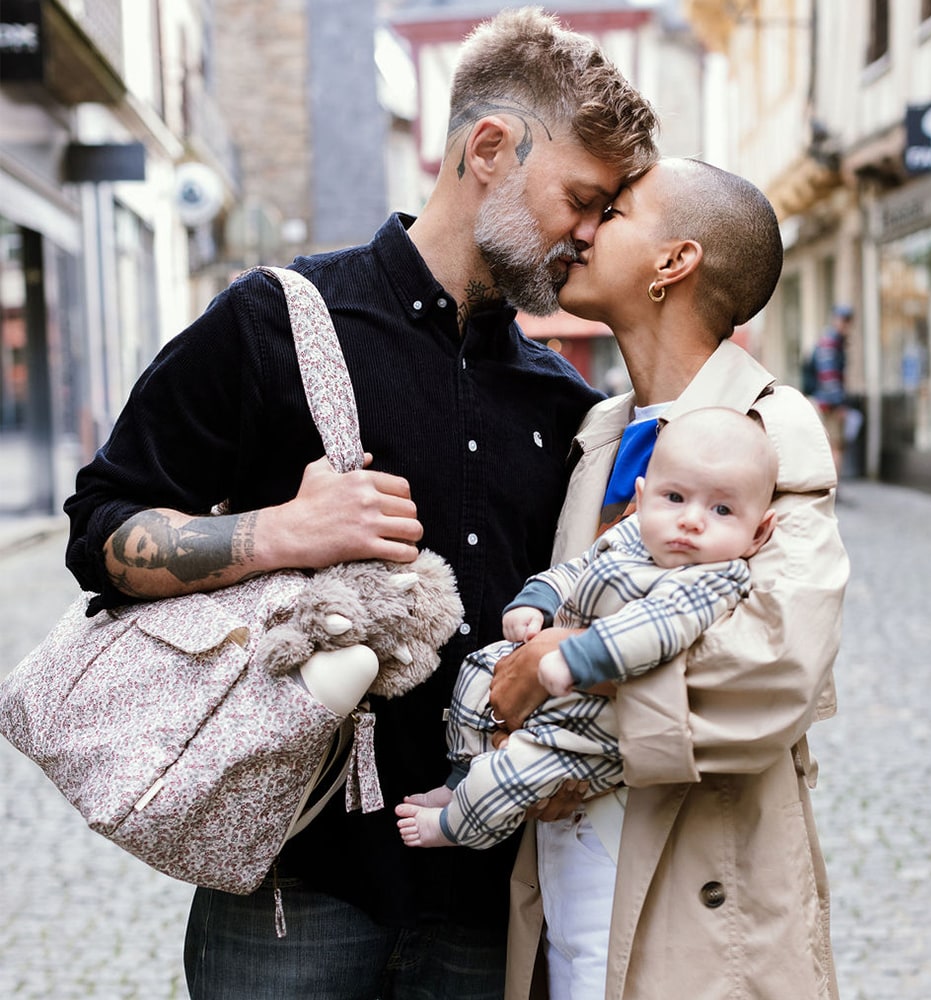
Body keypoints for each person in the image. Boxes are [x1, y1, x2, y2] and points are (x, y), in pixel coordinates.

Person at [62, 9, 659, 999]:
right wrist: (275, 533)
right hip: (294, 887)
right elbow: (100, 532)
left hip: (485, 895)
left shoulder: (566, 402)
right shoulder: (273, 321)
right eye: (580, 198)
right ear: (488, 149)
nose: (589, 234)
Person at [489, 158, 849, 1000]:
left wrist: (567, 689)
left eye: (612, 213)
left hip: (697, 894)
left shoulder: (770, 424)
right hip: (569, 878)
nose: (581, 228)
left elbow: (774, 668)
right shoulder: (601, 431)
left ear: (673, 262)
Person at [395, 408, 777, 860]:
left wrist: (577, 656)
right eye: (674, 497)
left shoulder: (712, 578)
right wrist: (537, 599)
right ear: (642, 496)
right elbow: (577, 569)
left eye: (721, 509)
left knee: (517, 769)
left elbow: (655, 629)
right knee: (479, 669)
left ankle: (456, 826)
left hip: (592, 729)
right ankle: (460, 779)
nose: (691, 520)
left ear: (759, 532)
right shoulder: (635, 534)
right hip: (558, 686)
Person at [809, 303, 854, 475]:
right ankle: (833, 488)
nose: (845, 324)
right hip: (830, 403)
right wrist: (839, 404)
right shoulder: (831, 341)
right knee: (835, 446)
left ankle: (831, 487)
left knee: (831, 445)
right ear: (835, 320)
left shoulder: (834, 340)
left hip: (825, 401)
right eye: (843, 320)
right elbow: (829, 376)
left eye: (847, 321)